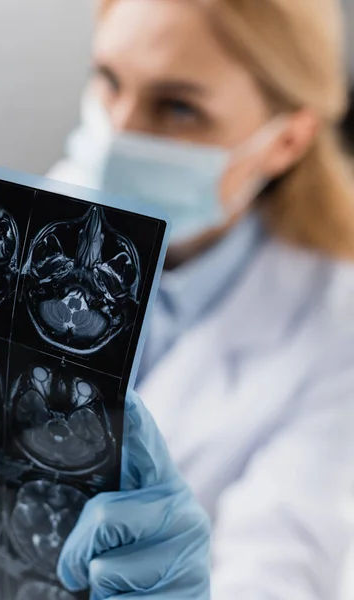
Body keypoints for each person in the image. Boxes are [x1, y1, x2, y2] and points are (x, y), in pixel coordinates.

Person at [48, 0, 354, 597]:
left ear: (286, 140)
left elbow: (284, 574)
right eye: (109, 81)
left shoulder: (337, 333)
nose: (119, 135)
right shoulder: (60, 204)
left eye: (178, 107)